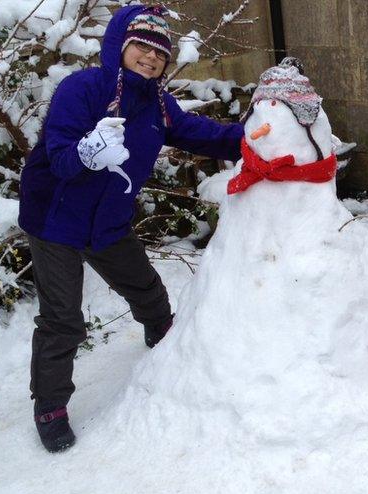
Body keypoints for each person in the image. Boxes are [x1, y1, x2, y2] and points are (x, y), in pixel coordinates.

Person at [17, 5, 244, 452]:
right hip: (55, 220)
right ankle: (50, 406)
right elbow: (58, 155)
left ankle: (160, 333)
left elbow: (199, 133)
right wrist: (87, 151)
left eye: (160, 52)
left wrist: (257, 137)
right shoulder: (81, 89)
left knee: (146, 288)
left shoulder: (157, 104)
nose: (150, 57)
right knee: (62, 320)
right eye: (141, 46)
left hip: (107, 221)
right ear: (119, 47)